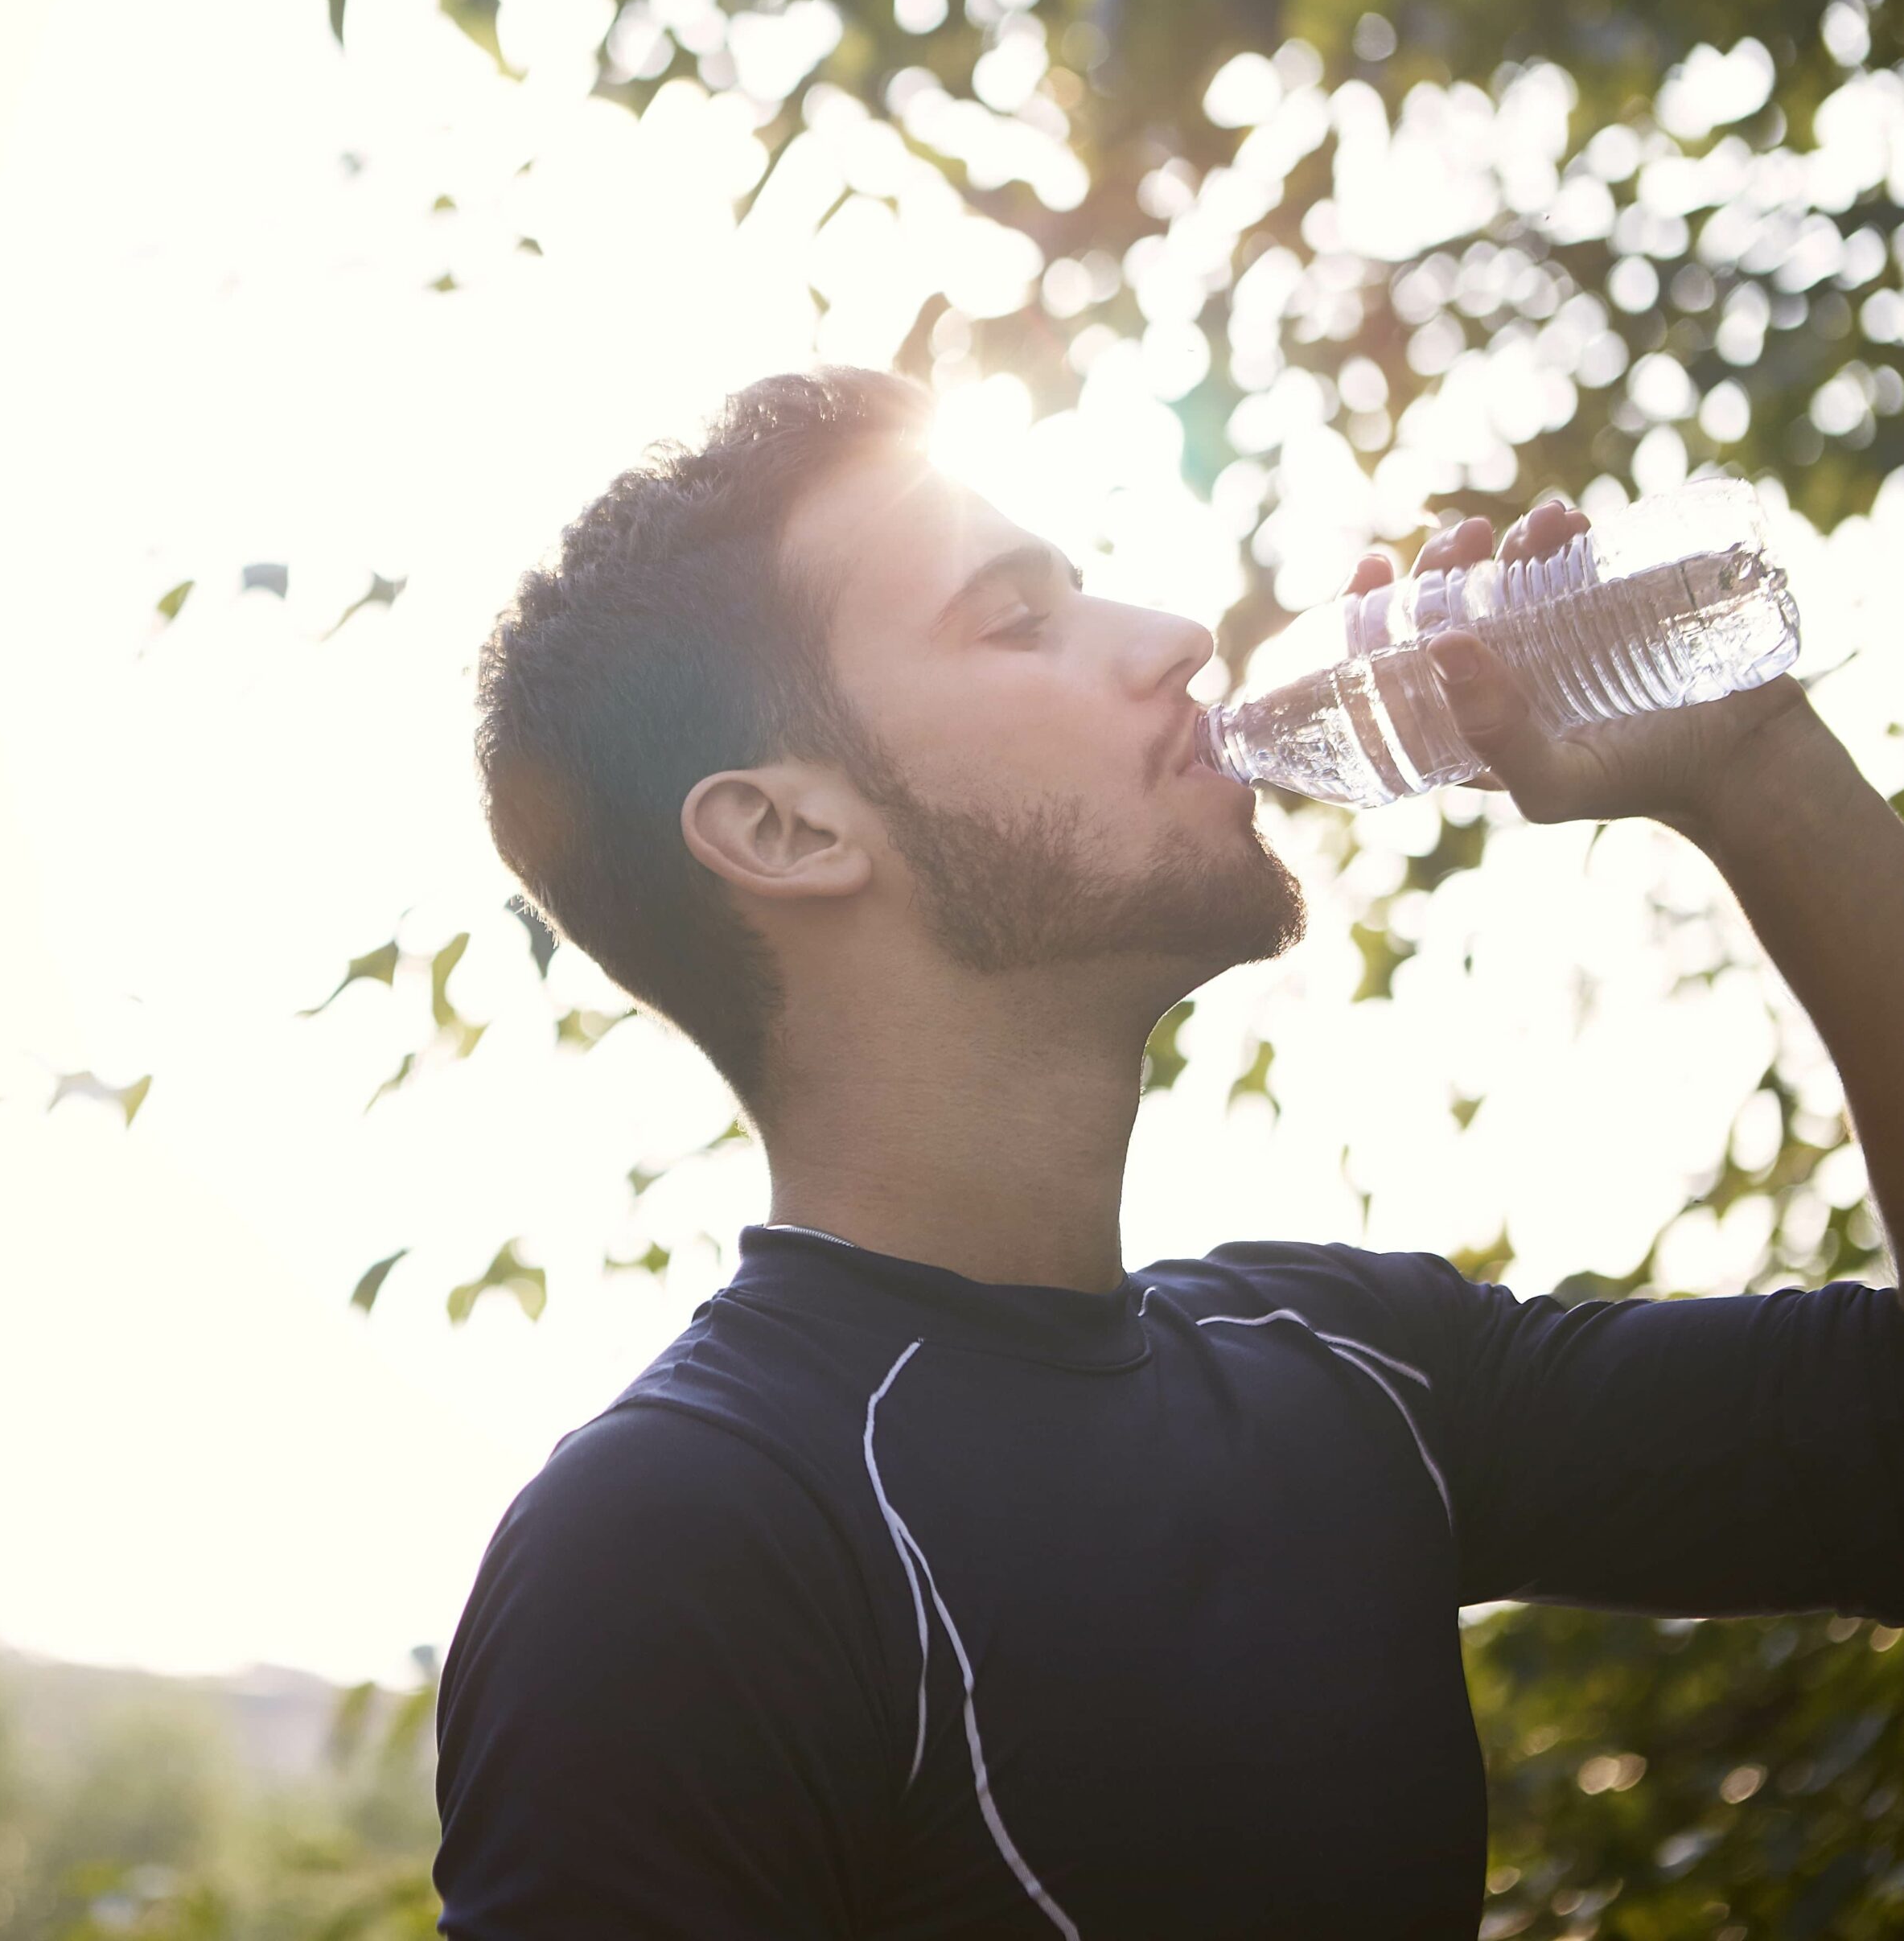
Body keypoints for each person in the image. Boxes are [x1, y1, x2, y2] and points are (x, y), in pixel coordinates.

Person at [436, 367, 1903, 1939]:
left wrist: (1757, 768)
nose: (1177, 639)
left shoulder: (1349, 1364)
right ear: (788, 831)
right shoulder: (685, 1543)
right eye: (1019, 619)